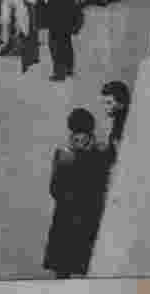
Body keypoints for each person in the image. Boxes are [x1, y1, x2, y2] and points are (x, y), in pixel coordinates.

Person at [43, 108, 112, 279]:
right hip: (89, 215)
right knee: (86, 265)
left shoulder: (63, 153)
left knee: (62, 268)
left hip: (65, 216)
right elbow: (103, 185)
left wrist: (67, 198)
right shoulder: (101, 153)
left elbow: (54, 188)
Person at [45, 0, 83, 81]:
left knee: (56, 46)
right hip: (67, 19)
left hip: (58, 20)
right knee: (66, 44)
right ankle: (68, 68)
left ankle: (59, 73)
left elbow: (55, 1)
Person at [100, 80, 131, 160]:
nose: (105, 107)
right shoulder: (117, 121)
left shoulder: (121, 125)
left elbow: (122, 156)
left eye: (109, 103)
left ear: (121, 104)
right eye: (104, 103)